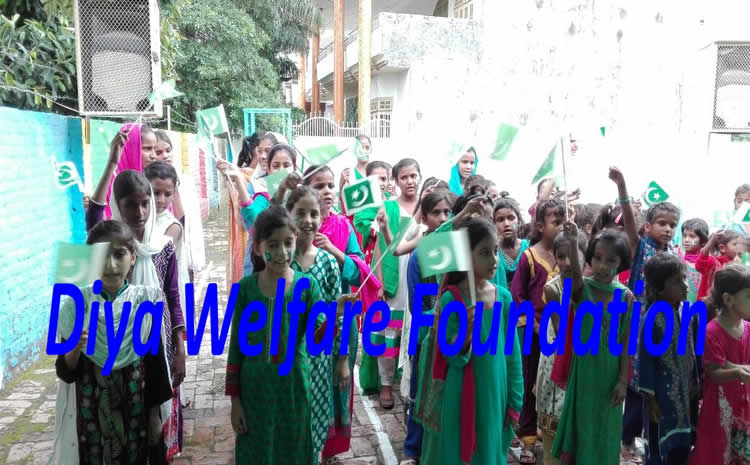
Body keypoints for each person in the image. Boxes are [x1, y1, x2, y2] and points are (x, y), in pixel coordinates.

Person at [89, 134, 187, 461]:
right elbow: (93, 217)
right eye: (131, 204)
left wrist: (180, 347)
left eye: (146, 203)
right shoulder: (112, 246)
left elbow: (172, 297)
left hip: (158, 343)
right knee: (120, 424)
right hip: (115, 345)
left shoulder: (162, 246)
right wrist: (111, 164)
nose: (141, 211)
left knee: (156, 420)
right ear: (118, 206)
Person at [51, 220, 173, 465]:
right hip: (92, 419)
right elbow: (65, 373)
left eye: (119, 254)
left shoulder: (144, 304)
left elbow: (156, 365)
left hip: (136, 413)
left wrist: (154, 417)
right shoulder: (77, 308)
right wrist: (74, 348)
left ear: (133, 257)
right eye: (102, 256)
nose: (111, 265)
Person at [417, 217, 524, 465]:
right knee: (457, 451)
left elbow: (512, 355)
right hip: (459, 393)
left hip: (494, 392)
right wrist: (465, 332)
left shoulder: (503, 298)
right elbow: (450, 355)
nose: (494, 260)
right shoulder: (451, 300)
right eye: (484, 253)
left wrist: (515, 400)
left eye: (495, 251)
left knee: (488, 448)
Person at [226, 206, 324, 465]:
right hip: (254, 392)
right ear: (258, 248)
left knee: (294, 450)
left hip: (293, 390)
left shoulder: (308, 287)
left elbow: (317, 340)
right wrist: (235, 401)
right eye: (273, 245)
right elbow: (236, 347)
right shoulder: (245, 290)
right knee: (256, 452)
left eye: (288, 243)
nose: (282, 252)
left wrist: (337, 314)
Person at [610, 166, 680, 461]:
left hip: (665, 326)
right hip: (638, 325)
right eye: (662, 223)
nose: (668, 229)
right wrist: (622, 187)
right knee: (637, 384)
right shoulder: (640, 248)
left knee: (655, 383)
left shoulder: (674, 254)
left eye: (672, 224)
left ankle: (648, 439)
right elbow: (629, 222)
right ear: (648, 226)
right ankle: (626, 439)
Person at [551, 226, 634, 465]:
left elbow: (626, 343)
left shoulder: (626, 296)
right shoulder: (581, 288)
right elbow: (575, 276)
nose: (602, 266)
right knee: (582, 428)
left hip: (610, 377)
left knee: (606, 431)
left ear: (621, 263)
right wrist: (573, 241)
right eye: (597, 258)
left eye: (611, 260)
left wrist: (623, 381)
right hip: (584, 375)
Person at [401, 189, 456, 465]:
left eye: (448, 212)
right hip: (425, 335)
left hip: (453, 335)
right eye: (436, 213)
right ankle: (413, 449)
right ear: (424, 218)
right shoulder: (419, 256)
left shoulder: (458, 252)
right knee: (420, 392)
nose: (443, 218)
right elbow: (417, 305)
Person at [510, 199, 564, 463]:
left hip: (563, 334)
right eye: (556, 222)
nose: (562, 226)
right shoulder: (529, 256)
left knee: (557, 385)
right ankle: (528, 438)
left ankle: (555, 434)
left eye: (565, 221)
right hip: (536, 334)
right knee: (532, 384)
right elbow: (518, 296)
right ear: (540, 226)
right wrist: (535, 325)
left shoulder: (569, 258)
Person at [637, 254, 699, 465]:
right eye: (676, 281)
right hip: (662, 397)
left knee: (683, 444)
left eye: (684, 279)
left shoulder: (684, 311)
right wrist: (651, 400)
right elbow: (645, 362)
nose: (685, 285)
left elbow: (691, 351)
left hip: (684, 392)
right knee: (660, 444)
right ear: (659, 288)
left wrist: (695, 382)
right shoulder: (652, 320)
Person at [370, 159, 422, 408]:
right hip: (395, 276)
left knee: (414, 329)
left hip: (419, 275)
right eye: (404, 177)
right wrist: (380, 281)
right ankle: (385, 384)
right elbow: (381, 247)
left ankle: (409, 381)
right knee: (390, 330)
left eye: (414, 176)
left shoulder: (428, 207)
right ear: (396, 181)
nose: (410, 181)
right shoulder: (389, 207)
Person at [689, 265, 750, 465]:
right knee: (716, 449)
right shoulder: (712, 332)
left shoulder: (747, 328)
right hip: (720, 405)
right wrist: (739, 373)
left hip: (743, 404)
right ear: (728, 300)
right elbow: (714, 372)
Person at [535, 231, 587, 465]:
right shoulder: (553, 289)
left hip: (584, 360)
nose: (566, 262)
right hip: (559, 360)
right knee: (554, 427)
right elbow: (562, 331)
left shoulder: (593, 288)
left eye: (572, 255)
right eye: (561, 256)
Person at [102, 123, 158, 218]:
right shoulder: (111, 185)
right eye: (147, 149)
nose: (154, 156)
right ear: (131, 148)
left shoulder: (153, 181)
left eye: (154, 149)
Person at [493, 196, 530, 292]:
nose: (506, 224)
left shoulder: (529, 247)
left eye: (511, 218)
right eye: (500, 220)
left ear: (519, 221)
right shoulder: (492, 253)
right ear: (494, 224)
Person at [696, 230, 743, 301]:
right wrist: (711, 241)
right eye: (735, 244)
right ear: (722, 248)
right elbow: (701, 261)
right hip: (707, 305)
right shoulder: (714, 263)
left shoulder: (738, 264)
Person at [679, 218, 710, 303]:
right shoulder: (678, 261)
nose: (686, 240)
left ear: (703, 241)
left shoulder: (708, 264)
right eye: (684, 235)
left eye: (692, 236)